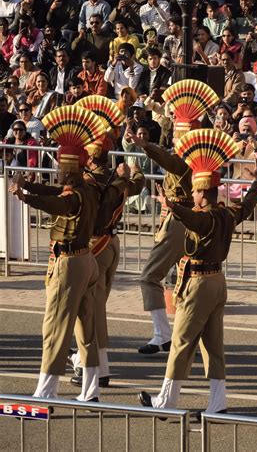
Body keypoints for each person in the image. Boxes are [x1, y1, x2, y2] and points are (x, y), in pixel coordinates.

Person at [138, 131, 257, 418]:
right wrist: (256, 182)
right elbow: (247, 205)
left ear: (202, 192)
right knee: (213, 345)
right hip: (218, 282)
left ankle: (166, 401)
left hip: (198, 284)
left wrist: (172, 207)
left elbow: (192, 217)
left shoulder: (204, 217)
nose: (191, 194)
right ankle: (218, 402)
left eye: (194, 191)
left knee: (181, 342)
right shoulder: (226, 214)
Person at [8, 107, 103, 403]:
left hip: (69, 263)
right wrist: (29, 187)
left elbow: (57, 204)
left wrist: (26, 196)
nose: (58, 170)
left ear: (69, 168)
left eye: (61, 166)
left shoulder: (72, 196)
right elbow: (53, 192)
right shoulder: (87, 189)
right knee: (86, 330)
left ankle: (45, 391)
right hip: (86, 260)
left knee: (55, 328)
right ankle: (90, 391)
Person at [130, 81, 218, 355]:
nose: (177, 141)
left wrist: (147, 146)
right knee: (185, 280)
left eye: (180, 136)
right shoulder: (198, 157)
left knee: (149, 277)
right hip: (187, 218)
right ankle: (185, 334)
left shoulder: (186, 159)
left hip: (179, 221)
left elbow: (172, 164)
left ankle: (162, 335)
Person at [68, 141, 145, 388]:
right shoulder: (117, 179)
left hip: (95, 245)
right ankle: (89, 362)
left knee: (90, 311)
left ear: (90, 159)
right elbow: (138, 184)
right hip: (111, 243)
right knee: (96, 308)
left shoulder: (91, 182)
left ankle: (93, 367)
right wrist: (136, 169)